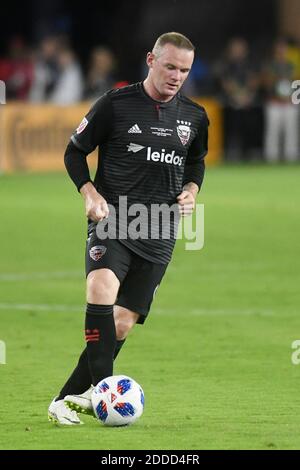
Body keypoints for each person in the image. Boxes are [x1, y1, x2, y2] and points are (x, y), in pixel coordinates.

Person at [48, 32, 209, 425]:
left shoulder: (194, 116)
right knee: (100, 289)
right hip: (114, 219)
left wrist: (190, 190)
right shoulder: (115, 105)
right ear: (151, 59)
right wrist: (88, 192)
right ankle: (106, 394)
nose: (176, 76)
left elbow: (196, 162)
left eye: (184, 70)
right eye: (170, 66)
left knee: (121, 322)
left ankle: (66, 399)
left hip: (160, 230)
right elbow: (74, 151)